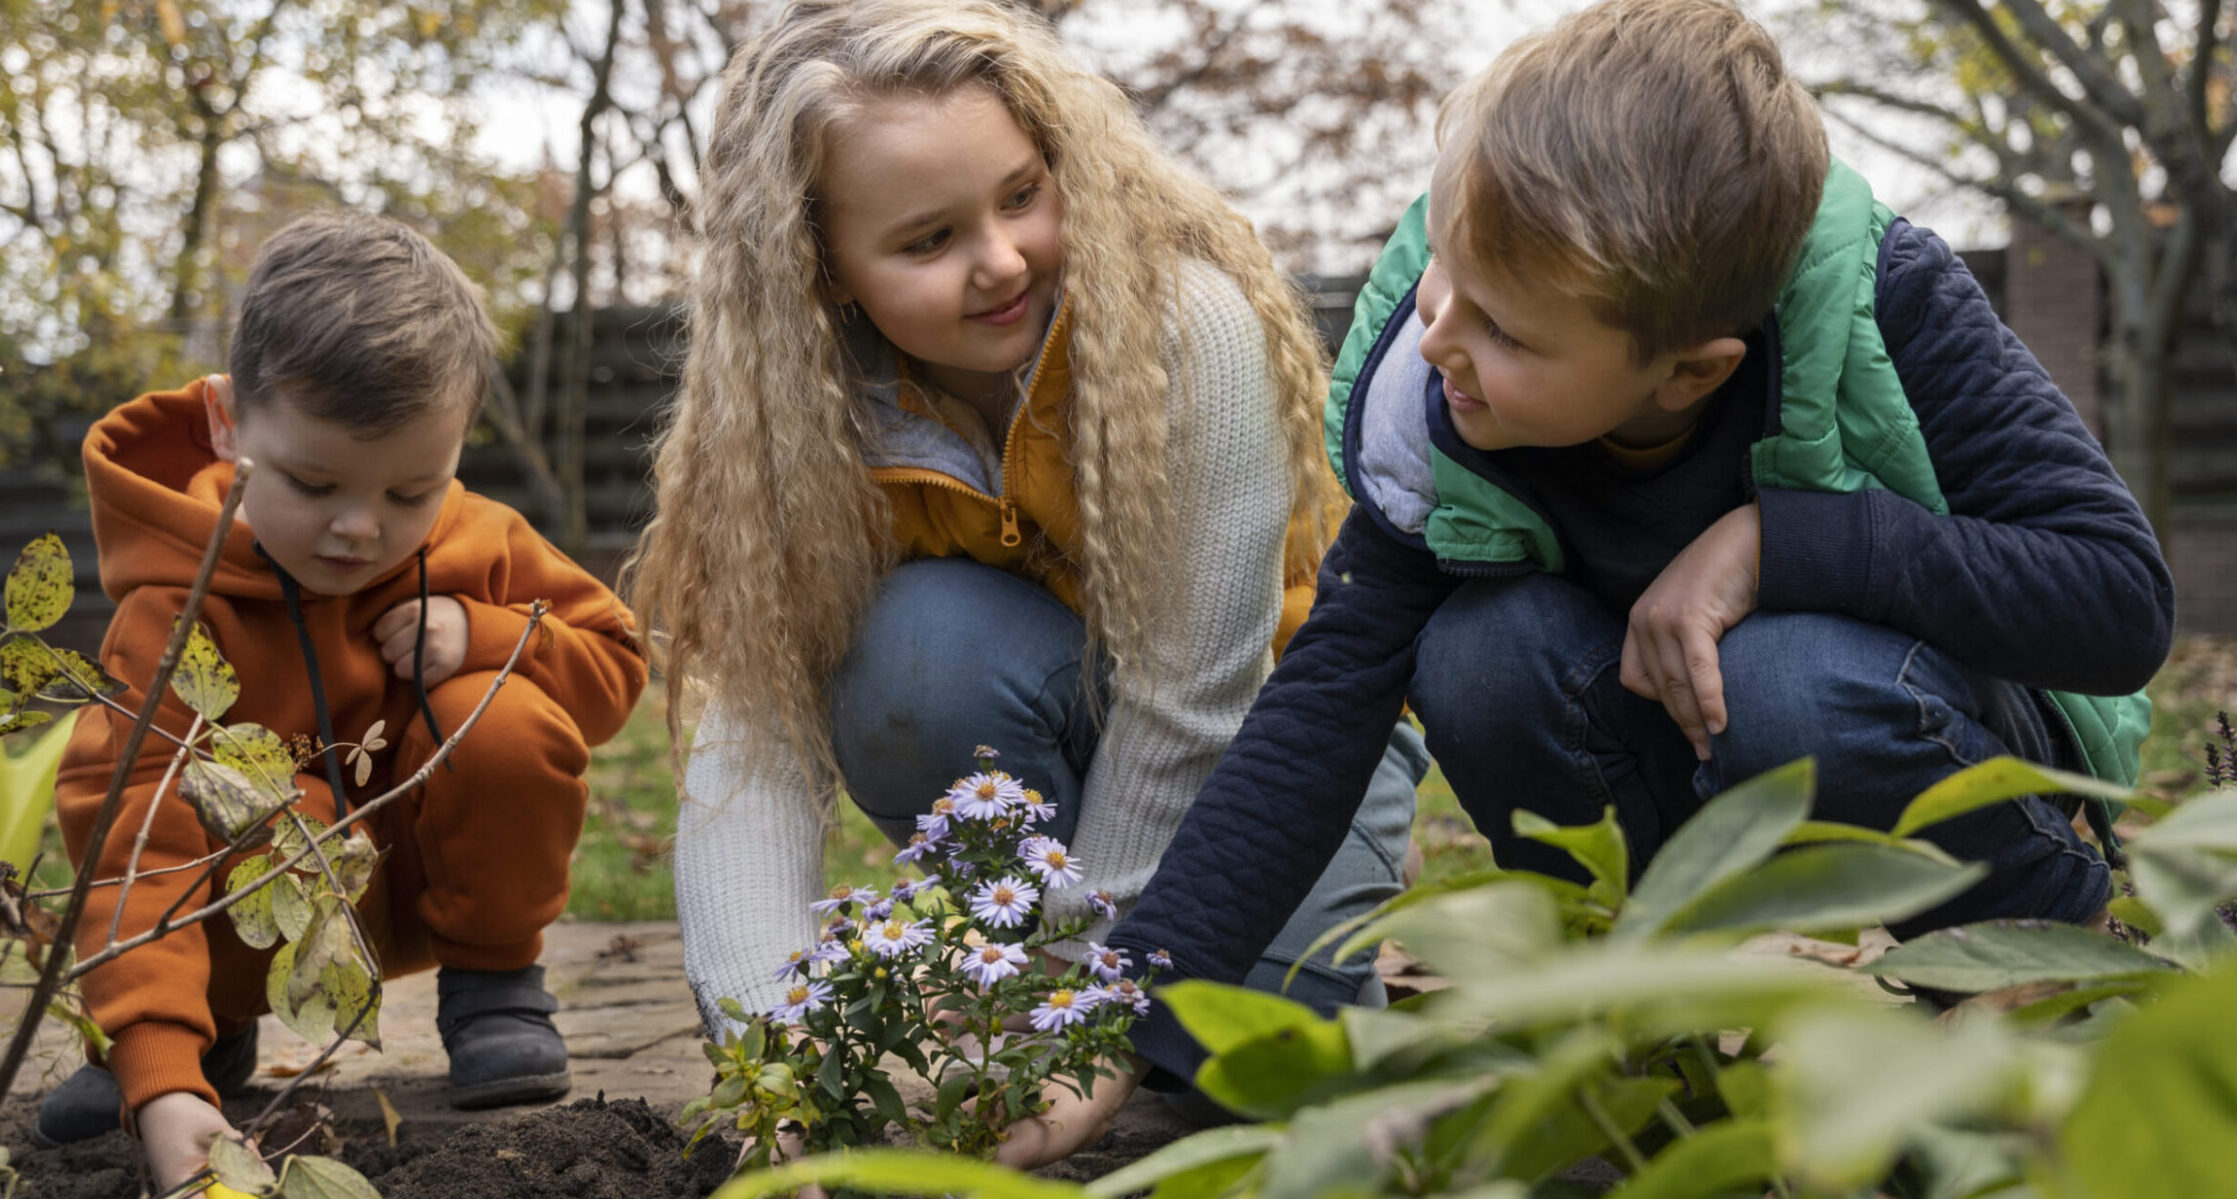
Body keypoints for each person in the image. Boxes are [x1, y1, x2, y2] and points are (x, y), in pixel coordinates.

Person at [1101, 0, 2174, 1093]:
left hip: (1886, 726)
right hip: (1653, 750)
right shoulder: (1435, 402)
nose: (1437, 340)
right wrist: (1124, 1011)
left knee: (1785, 682)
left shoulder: (1881, 305)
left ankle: (2036, 960)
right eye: (1444, 276)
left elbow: (2117, 599)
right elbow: (1324, 700)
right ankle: (1640, 1016)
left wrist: (1781, 542)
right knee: (1477, 653)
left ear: (1688, 372)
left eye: (1507, 332)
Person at [626, 0, 1425, 1161]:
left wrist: (1080, 1012)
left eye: (1018, 195)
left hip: (1265, 751)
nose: (999, 260)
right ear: (826, 267)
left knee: (1266, 1072)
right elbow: (756, 738)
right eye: (925, 240)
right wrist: (767, 1051)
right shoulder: (794, 419)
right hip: (1031, 732)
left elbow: (1187, 707)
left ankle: (1299, 899)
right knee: (914, 648)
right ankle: (1048, 972)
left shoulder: (1184, 328)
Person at [39, 212, 648, 1189]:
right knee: (207, 794)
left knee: (505, 715)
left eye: (412, 491)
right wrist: (156, 1070)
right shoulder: (177, 605)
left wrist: (485, 634)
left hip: (417, 873)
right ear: (230, 421)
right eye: (314, 483)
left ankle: (494, 986)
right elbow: (134, 841)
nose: (361, 528)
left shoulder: (478, 542)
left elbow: (615, 672)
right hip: (259, 905)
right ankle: (205, 1032)